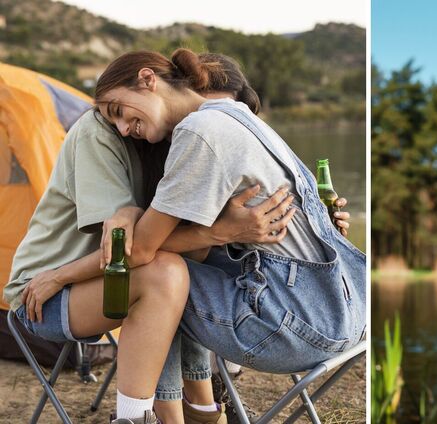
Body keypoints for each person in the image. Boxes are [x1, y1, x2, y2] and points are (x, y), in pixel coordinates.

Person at [94, 48, 366, 423]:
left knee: (155, 282)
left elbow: (138, 251)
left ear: (147, 79)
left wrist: (127, 216)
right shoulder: (241, 117)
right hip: (349, 311)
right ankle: (198, 410)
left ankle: (139, 417)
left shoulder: (198, 131)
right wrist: (214, 233)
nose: (124, 130)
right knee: (174, 268)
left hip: (294, 325)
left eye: (120, 113)